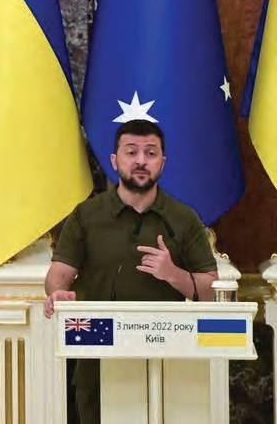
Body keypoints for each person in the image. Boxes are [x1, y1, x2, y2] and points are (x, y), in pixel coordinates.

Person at [43, 119, 218, 424]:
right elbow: (58, 275)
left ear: (162, 162)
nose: (141, 161)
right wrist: (58, 294)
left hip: (168, 357)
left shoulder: (184, 218)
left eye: (150, 153)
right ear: (115, 160)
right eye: (131, 152)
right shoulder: (87, 215)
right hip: (97, 356)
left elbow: (212, 290)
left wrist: (172, 273)